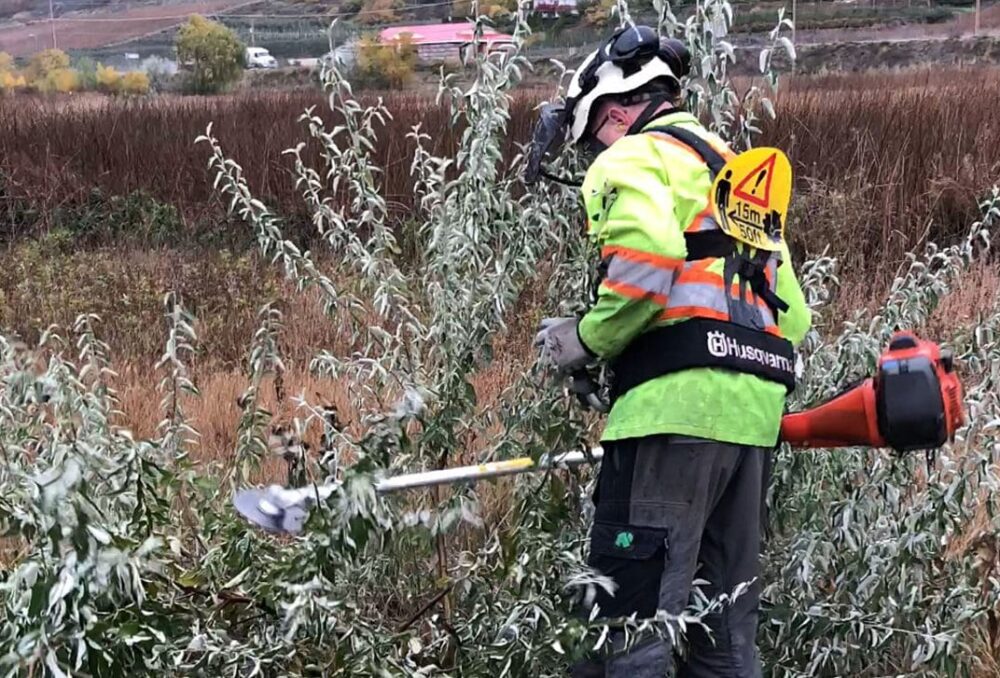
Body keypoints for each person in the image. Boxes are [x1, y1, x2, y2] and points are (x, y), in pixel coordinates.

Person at [531, 24, 812, 677]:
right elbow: (792, 314)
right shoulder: (734, 170)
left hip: (670, 422)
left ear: (617, 111)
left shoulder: (629, 157)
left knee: (630, 626)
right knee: (726, 636)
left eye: (589, 138)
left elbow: (648, 261)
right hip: (749, 424)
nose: (590, 156)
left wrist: (588, 339)